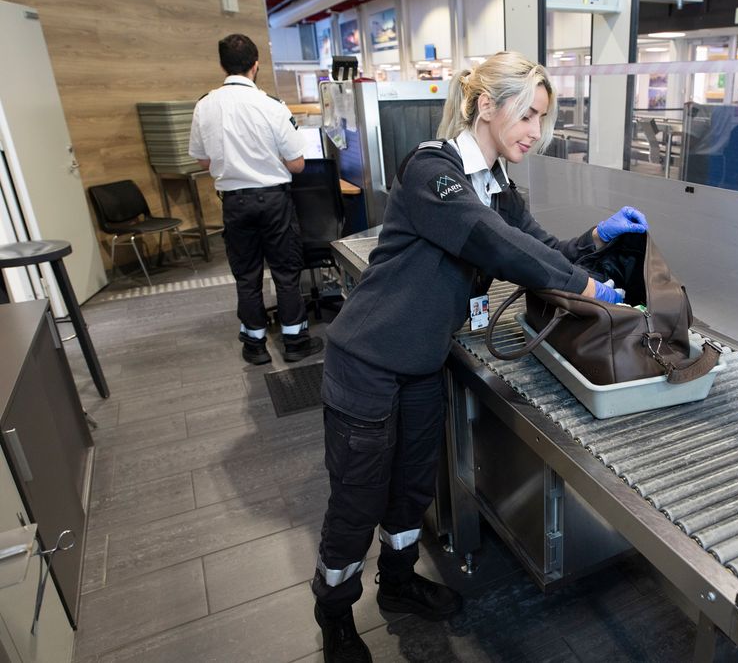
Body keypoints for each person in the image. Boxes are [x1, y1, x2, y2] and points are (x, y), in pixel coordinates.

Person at [312, 51, 647, 662]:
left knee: (412, 488)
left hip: (420, 364)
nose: (535, 134)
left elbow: (539, 247)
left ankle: (400, 583)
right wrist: (583, 286)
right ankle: (333, 613)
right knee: (358, 498)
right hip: (366, 361)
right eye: (528, 116)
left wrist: (598, 240)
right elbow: (492, 242)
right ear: (487, 106)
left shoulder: (499, 188)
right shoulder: (432, 170)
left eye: (542, 120)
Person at [189, 33, 324, 365]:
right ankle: (294, 342)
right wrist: (265, 160)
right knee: (285, 270)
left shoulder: (205, 105)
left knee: (246, 274)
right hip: (274, 201)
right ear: (256, 64)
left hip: (234, 202)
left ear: (222, 65)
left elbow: (202, 161)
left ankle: (255, 346)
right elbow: (297, 164)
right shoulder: (271, 105)